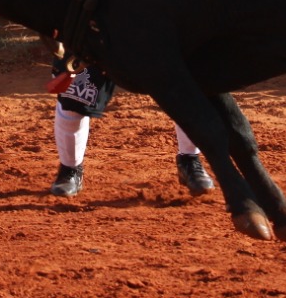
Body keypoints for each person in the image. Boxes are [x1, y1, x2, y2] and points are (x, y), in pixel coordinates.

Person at [48, 64, 213, 199]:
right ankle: (70, 170)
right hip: (99, 31)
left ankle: (189, 160)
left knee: (188, 85)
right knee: (76, 95)